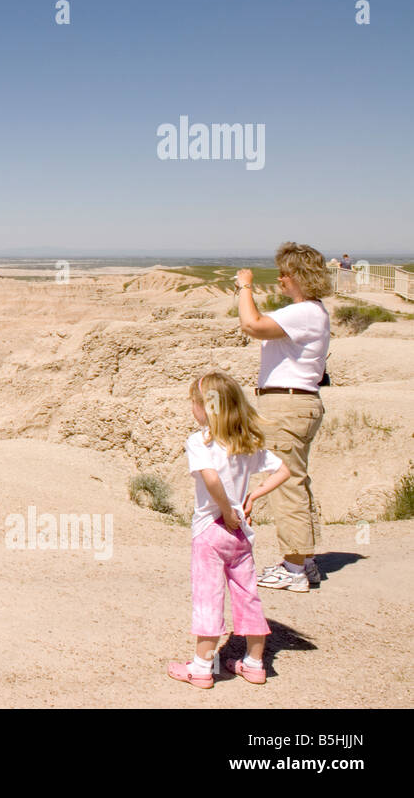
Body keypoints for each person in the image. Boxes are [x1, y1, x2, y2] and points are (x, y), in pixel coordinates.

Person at [168, 373, 289, 689]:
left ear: (205, 408)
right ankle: (254, 663)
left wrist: (224, 509)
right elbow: (284, 470)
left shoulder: (200, 441)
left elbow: (210, 479)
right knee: (248, 595)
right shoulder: (246, 442)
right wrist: (253, 495)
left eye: (194, 404)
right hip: (240, 534)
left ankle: (201, 667)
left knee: (208, 596)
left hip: (211, 530)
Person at [235, 242, 331, 592]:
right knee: (296, 480)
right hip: (299, 403)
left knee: (285, 482)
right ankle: (304, 561)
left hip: (287, 406)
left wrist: (245, 285)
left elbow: (252, 324)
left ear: (300, 276)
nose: (280, 279)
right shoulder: (312, 312)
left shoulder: (304, 311)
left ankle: (292, 569)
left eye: (285, 273)